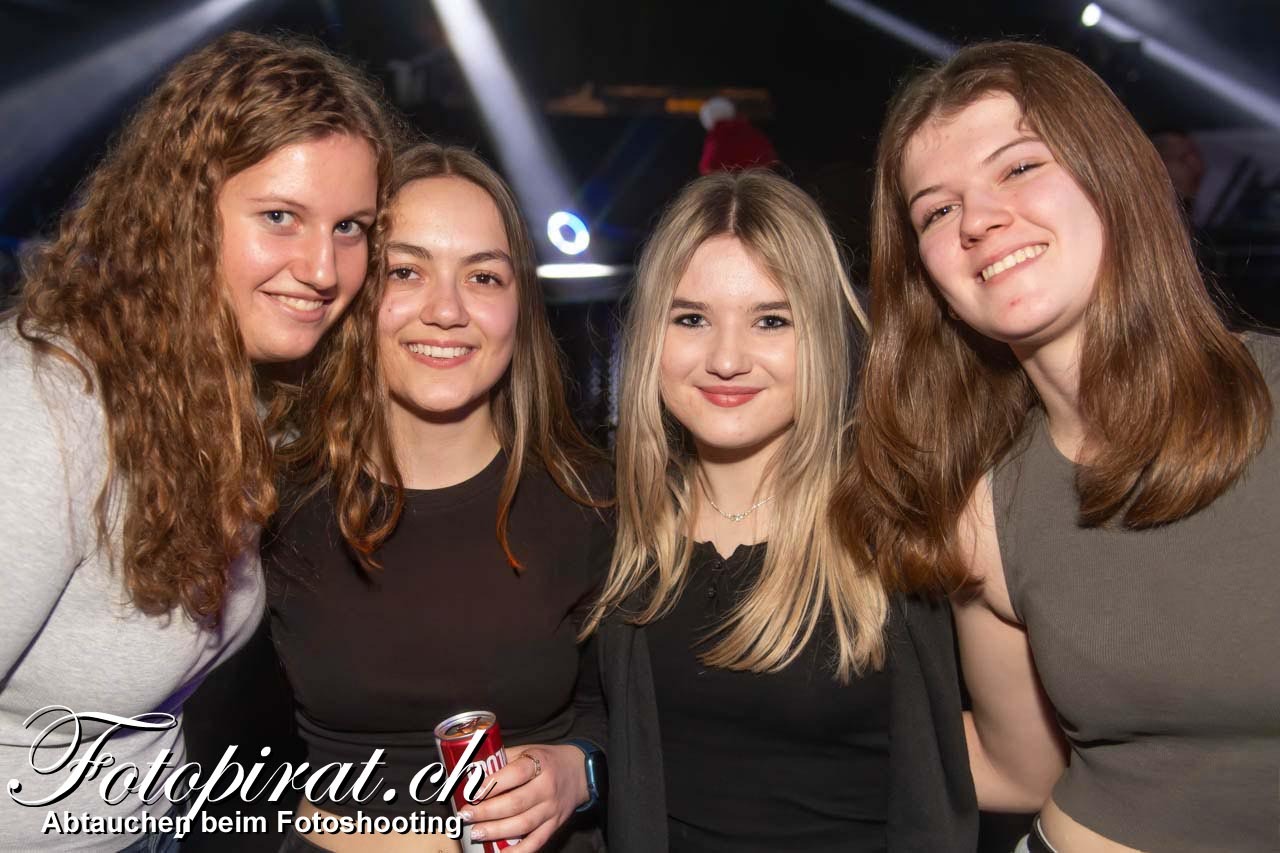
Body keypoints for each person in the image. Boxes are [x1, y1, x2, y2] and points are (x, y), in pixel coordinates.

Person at [833, 41, 1279, 853]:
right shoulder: (985, 507)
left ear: (1114, 175)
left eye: (1018, 167)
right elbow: (1016, 767)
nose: (977, 220)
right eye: (936, 211)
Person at [0, 30, 395, 852]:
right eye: (280, 217)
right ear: (181, 215)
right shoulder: (48, 402)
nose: (324, 269)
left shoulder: (237, 390)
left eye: (351, 227)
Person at [582, 169, 976, 852]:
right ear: (650, 337)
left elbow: (983, 767)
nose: (726, 359)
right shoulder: (615, 528)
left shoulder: (895, 526)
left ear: (820, 335)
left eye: (770, 320)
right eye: (691, 318)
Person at [266, 142, 610, 853]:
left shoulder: (594, 501)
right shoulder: (271, 503)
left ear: (520, 306)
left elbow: (638, 718)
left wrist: (578, 771)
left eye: (483, 276)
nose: (447, 310)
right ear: (356, 292)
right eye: (406, 271)